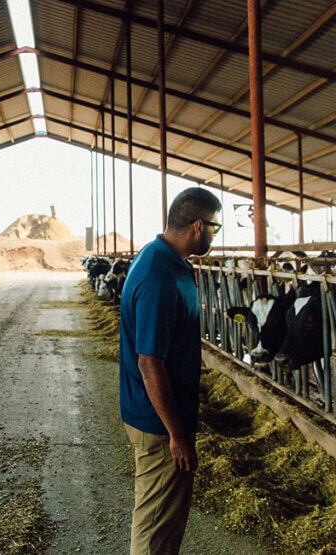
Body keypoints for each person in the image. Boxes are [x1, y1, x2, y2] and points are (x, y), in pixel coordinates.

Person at [119, 187, 222, 554]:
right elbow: (149, 362)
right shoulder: (159, 275)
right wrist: (177, 434)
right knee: (155, 528)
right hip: (160, 424)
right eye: (216, 227)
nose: (215, 234)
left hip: (157, 417)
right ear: (198, 226)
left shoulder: (159, 258)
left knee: (160, 516)